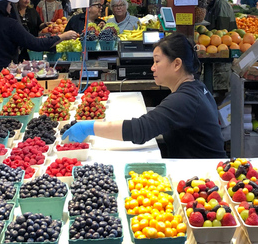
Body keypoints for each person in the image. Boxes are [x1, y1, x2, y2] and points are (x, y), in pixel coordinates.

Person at [62, 33, 226, 158]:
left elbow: (140, 130)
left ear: (176, 64)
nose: (152, 68)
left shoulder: (184, 100)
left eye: (157, 61)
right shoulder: (197, 88)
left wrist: (89, 127)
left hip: (206, 178)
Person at [0, 0, 79, 92]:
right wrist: (62, 37)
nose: (11, 8)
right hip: (2, 78)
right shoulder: (10, 24)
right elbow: (35, 44)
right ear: (3, 5)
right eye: (10, 4)